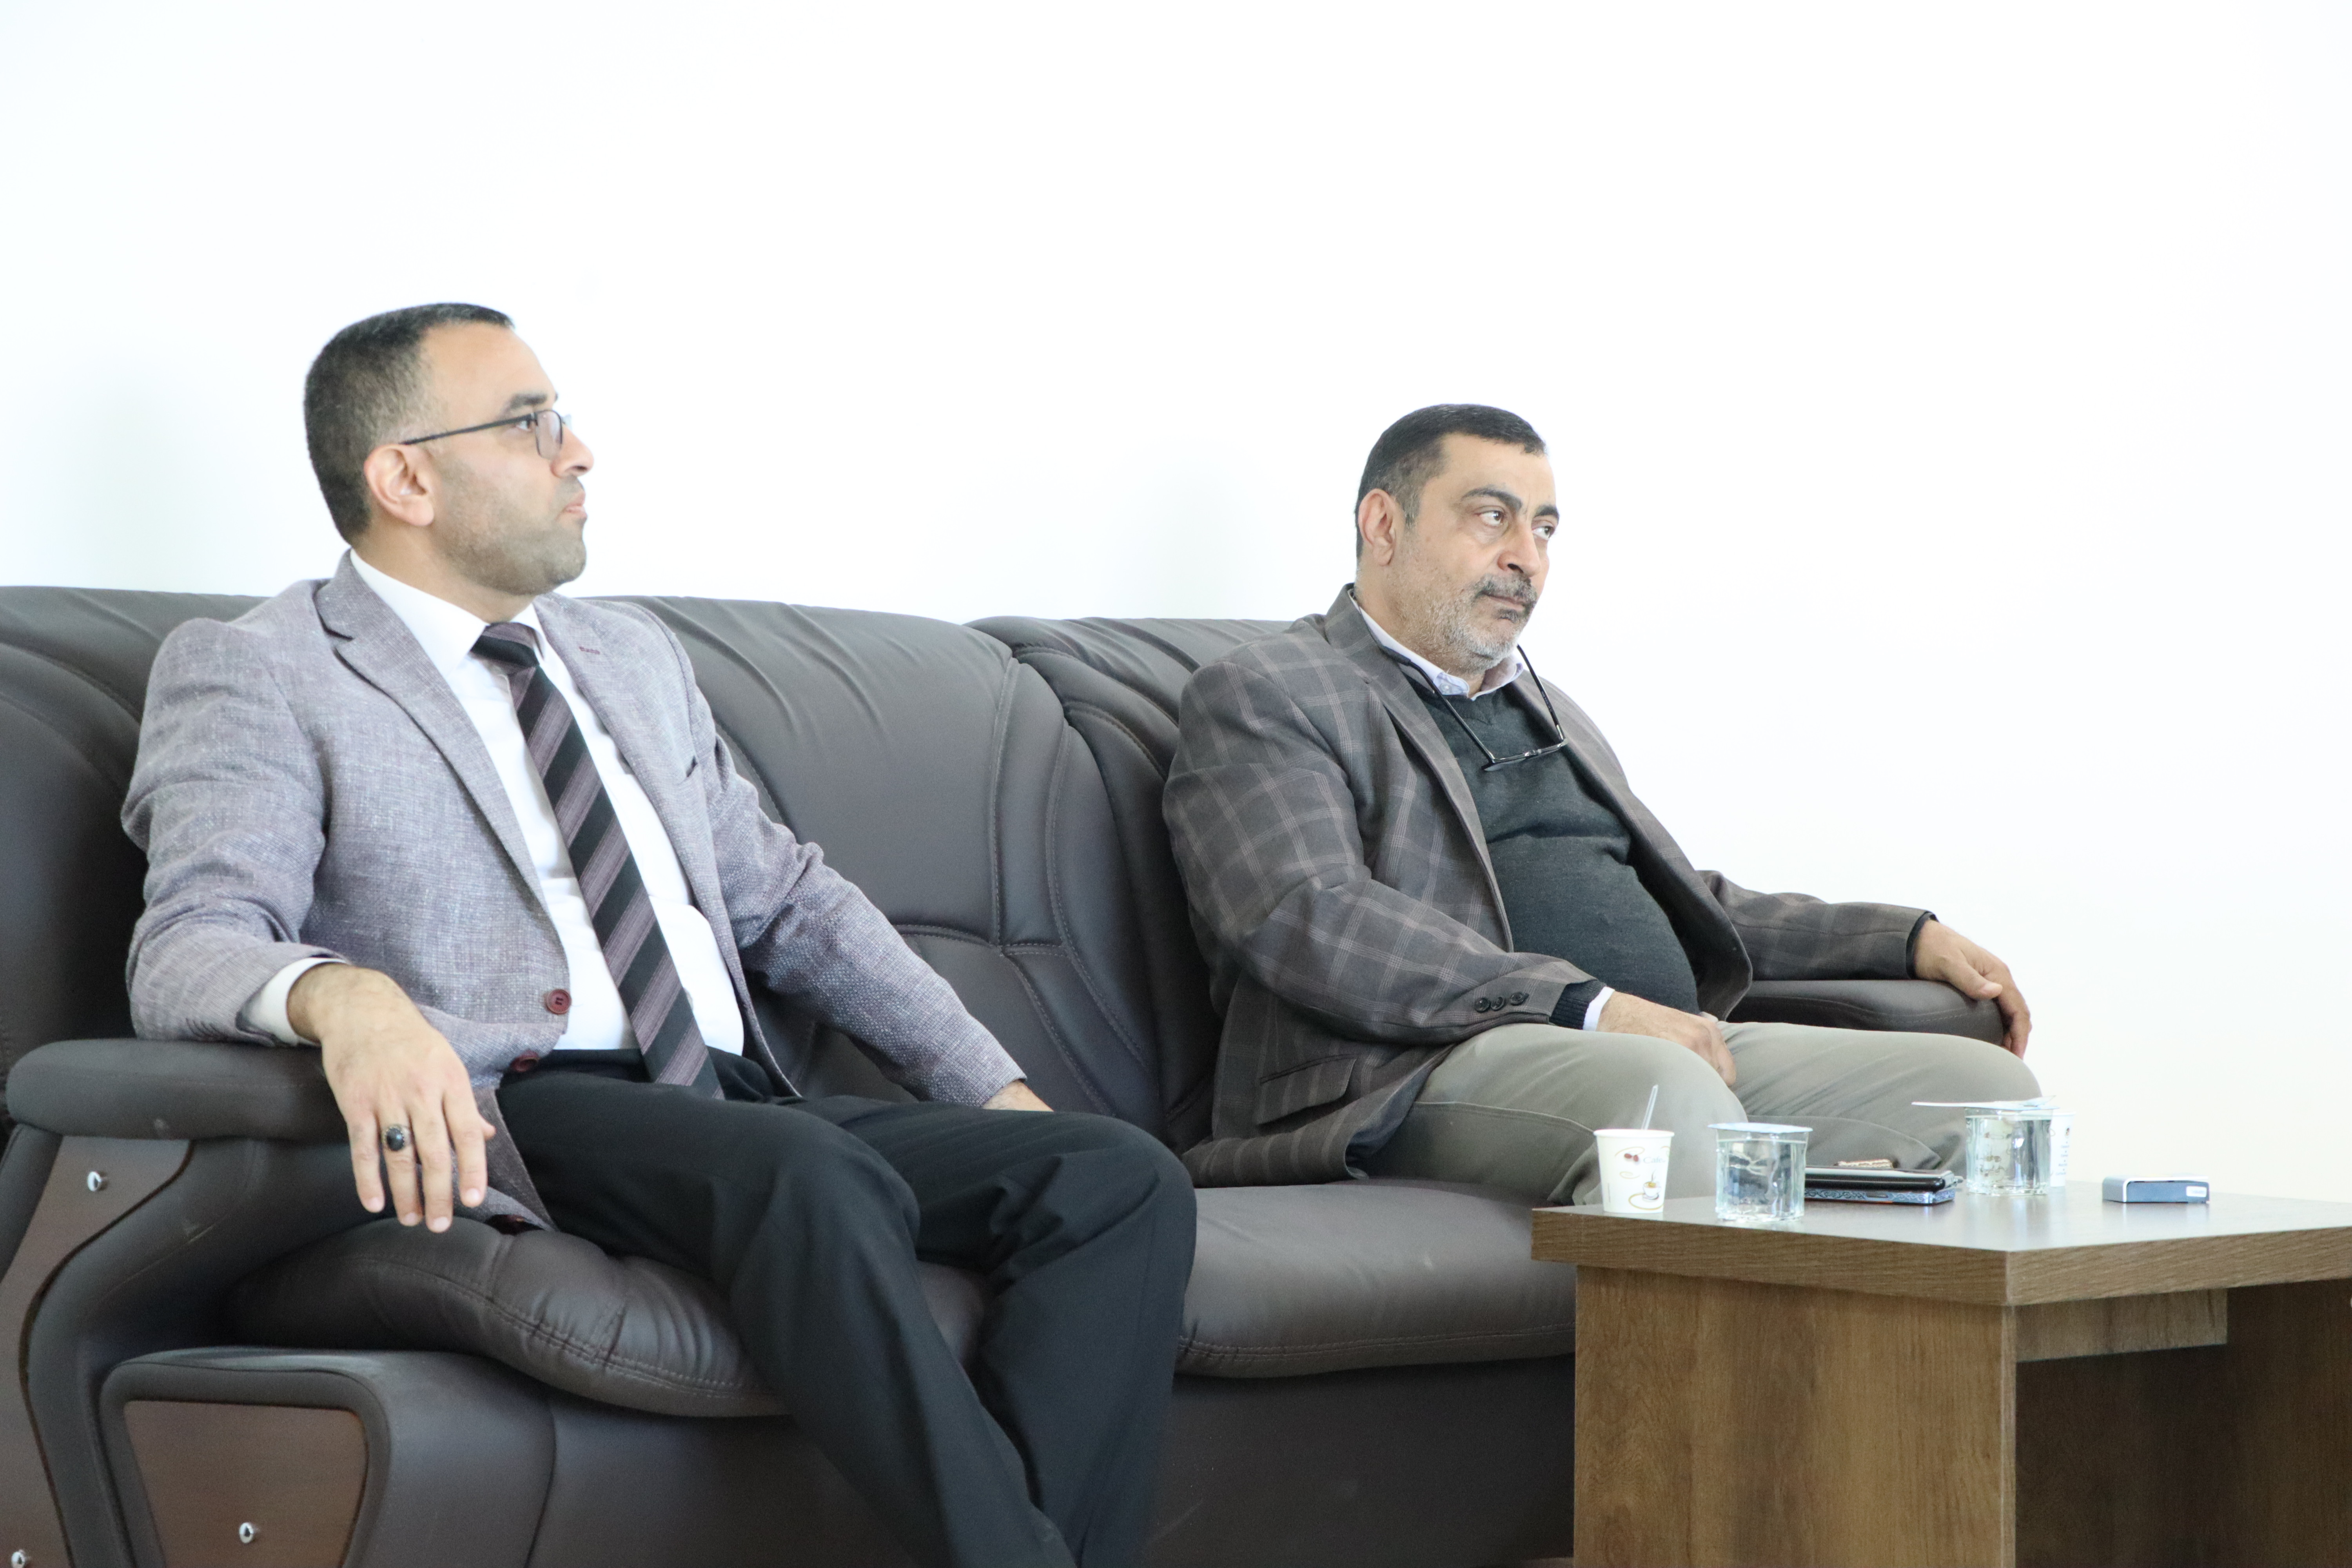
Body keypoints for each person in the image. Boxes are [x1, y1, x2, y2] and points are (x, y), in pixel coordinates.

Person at [121, 303, 1194, 1568]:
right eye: (530, 425)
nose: (579, 453)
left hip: (730, 1109)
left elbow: (788, 900)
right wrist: (347, 999)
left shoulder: (627, 656)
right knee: (809, 1174)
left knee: (1115, 1178)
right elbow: (192, 939)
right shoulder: (265, 667)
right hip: (528, 1104)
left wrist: (994, 1091)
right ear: (405, 478)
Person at [1164, 403, 2040, 1197]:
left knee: (1987, 1096)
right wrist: (1587, 1005)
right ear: (1384, 524)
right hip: (1405, 1074)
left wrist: (1901, 938)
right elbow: (1310, 916)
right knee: (1670, 1102)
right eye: (1493, 516)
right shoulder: (1271, 690)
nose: (1527, 557)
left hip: (1652, 1048)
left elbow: (1681, 900)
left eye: (1544, 528)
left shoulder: (1549, 711)